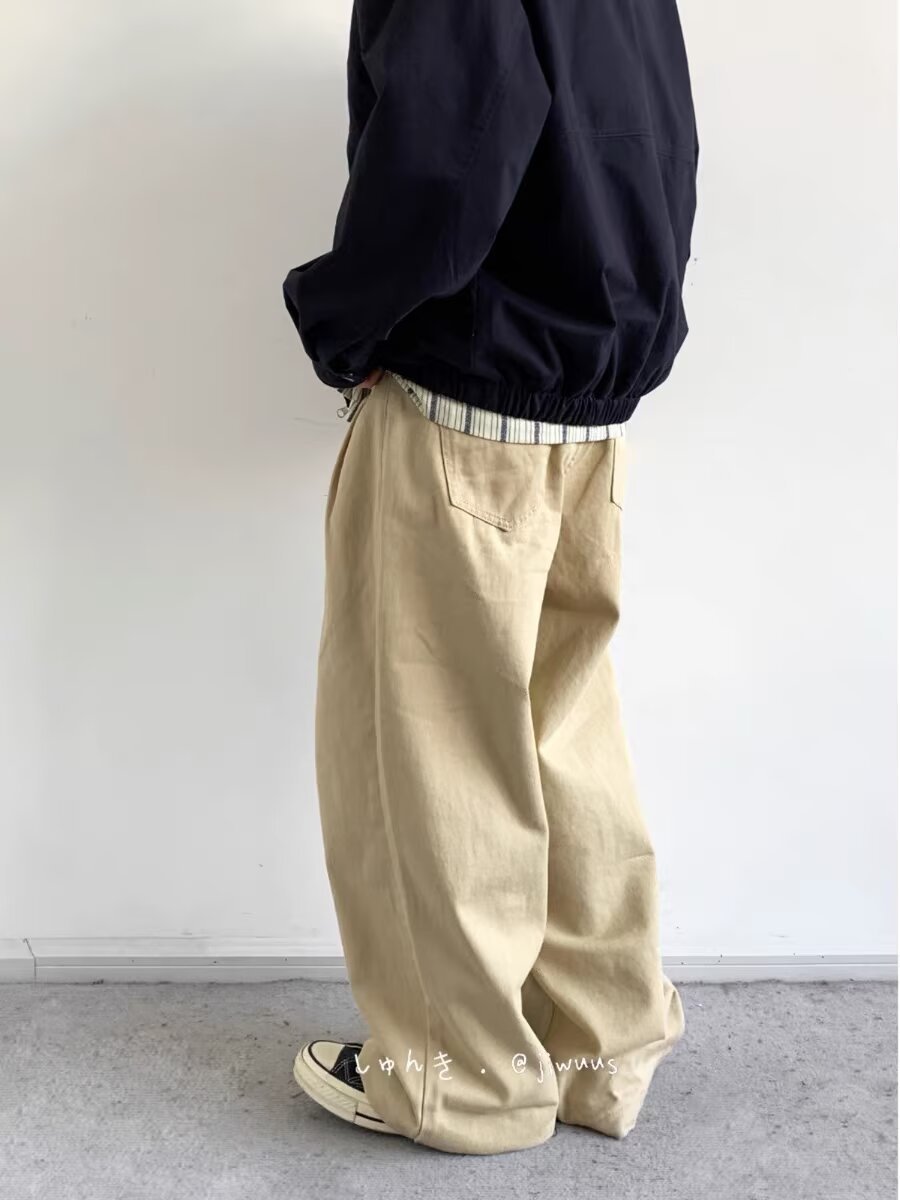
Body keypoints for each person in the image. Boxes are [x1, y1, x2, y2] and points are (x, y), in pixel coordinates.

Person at [282, 0, 698, 1156]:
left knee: (432, 760)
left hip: (464, 408)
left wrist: (337, 324)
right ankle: (599, 1052)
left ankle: (461, 1085)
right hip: (587, 410)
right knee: (567, 740)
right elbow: (659, 145)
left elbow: (442, 160)